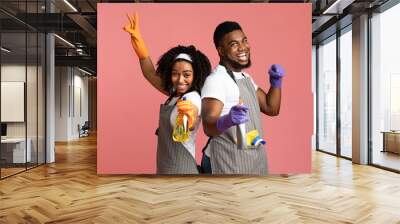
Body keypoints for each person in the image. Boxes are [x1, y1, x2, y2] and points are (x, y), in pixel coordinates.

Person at [123, 13, 211, 174]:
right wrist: (139, 42)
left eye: (186, 74)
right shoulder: (174, 95)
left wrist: (186, 119)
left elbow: (181, 135)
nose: (180, 80)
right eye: (175, 73)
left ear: (196, 75)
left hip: (181, 170)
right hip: (165, 167)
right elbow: (150, 73)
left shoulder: (192, 99)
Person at [201, 21, 285, 175]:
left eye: (244, 41)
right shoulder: (216, 80)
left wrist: (276, 83)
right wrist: (228, 119)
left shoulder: (246, 77)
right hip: (227, 161)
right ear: (221, 50)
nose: (243, 47)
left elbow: (271, 108)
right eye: (234, 44)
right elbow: (208, 127)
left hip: (253, 157)